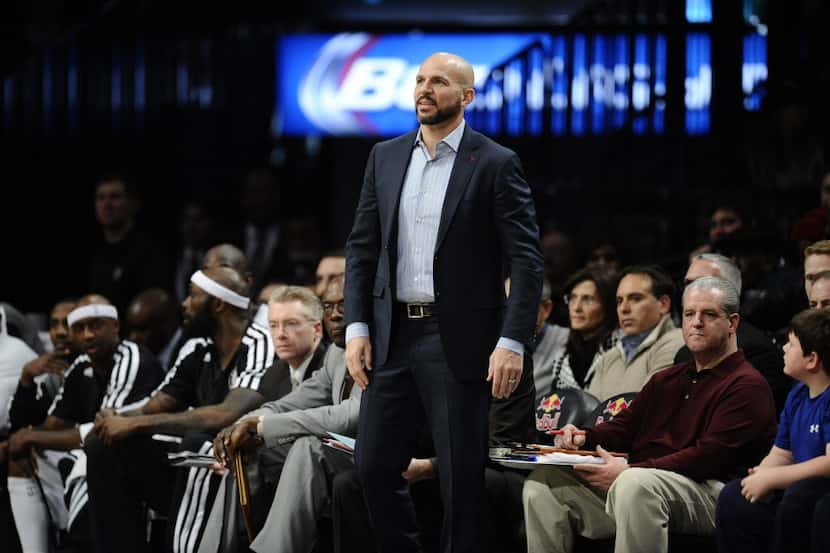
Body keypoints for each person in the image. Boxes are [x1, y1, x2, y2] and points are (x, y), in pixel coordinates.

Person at [344, 51, 543, 553]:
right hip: (392, 335)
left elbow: (527, 261)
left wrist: (513, 339)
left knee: (461, 480)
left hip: (457, 340)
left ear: (466, 96)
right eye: (418, 80)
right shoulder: (384, 156)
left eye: (438, 81)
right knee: (370, 466)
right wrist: (356, 327)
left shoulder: (496, 162)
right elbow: (361, 248)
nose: (424, 89)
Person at [522, 276, 777, 553]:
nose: (697, 322)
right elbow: (624, 427)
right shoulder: (667, 379)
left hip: (715, 492)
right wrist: (583, 436)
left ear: (733, 323)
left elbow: (709, 457)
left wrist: (632, 470)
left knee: (634, 485)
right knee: (543, 481)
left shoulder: (747, 385)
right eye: (690, 314)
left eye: (709, 314)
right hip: (646, 483)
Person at [85, 267, 277, 553]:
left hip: (243, 462)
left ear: (218, 304)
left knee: (199, 446)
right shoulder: (197, 348)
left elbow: (225, 414)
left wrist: (136, 424)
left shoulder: (260, 343)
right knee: (102, 443)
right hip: (196, 467)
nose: (184, 304)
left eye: (192, 296)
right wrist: (117, 418)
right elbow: (157, 405)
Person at [208, 276, 359, 553]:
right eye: (328, 306)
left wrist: (261, 426)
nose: (334, 315)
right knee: (245, 447)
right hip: (342, 448)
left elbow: (347, 416)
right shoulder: (337, 354)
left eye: (344, 306)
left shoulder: (379, 349)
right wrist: (241, 425)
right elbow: (292, 402)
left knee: (309, 445)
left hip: (373, 449)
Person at [7, 295, 163, 552]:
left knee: (87, 458)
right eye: (79, 328)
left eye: (96, 325)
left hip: (137, 457)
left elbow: (106, 430)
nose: (88, 335)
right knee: (23, 457)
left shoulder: (133, 359)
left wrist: (29, 436)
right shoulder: (80, 366)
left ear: (115, 326)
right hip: (88, 450)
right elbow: (52, 425)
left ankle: (76, 543)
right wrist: (26, 386)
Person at [716, 308, 830, 553]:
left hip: (818, 489)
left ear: (812, 359)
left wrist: (774, 478)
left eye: (790, 344)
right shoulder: (797, 394)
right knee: (734, 495)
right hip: (795, 484)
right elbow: (782, 453)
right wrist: (763, 472)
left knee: (800, 497)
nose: (784, 349)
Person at [676, 253, 791, 412]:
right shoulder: (683, 354)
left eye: (704, 283)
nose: (692, 290)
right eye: (688, 284)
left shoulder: (758, 353)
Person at [586, 265, 684, 401]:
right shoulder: (607, 358)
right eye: (619, 301)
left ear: (663, 304)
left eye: (636, 298)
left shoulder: (677, 343)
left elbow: (649, 407)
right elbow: (591, 415)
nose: (624, 309)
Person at [88, 176, 170, 314]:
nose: (106, 204)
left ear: (133, 204)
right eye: (100, 198)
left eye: (115, 197)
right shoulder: (96, 254)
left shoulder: (149, 252)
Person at [543, 267, 619, 392]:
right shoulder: (562, 356)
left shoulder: (619, 348)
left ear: (608, 305)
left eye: (588, 299)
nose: (576, 307)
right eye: (572, 298)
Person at [125, 288, 182, 370]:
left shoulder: (192, 354)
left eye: (141, 329)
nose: (133, 337)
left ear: (166, 325)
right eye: (131, 330)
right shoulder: (136, 359)